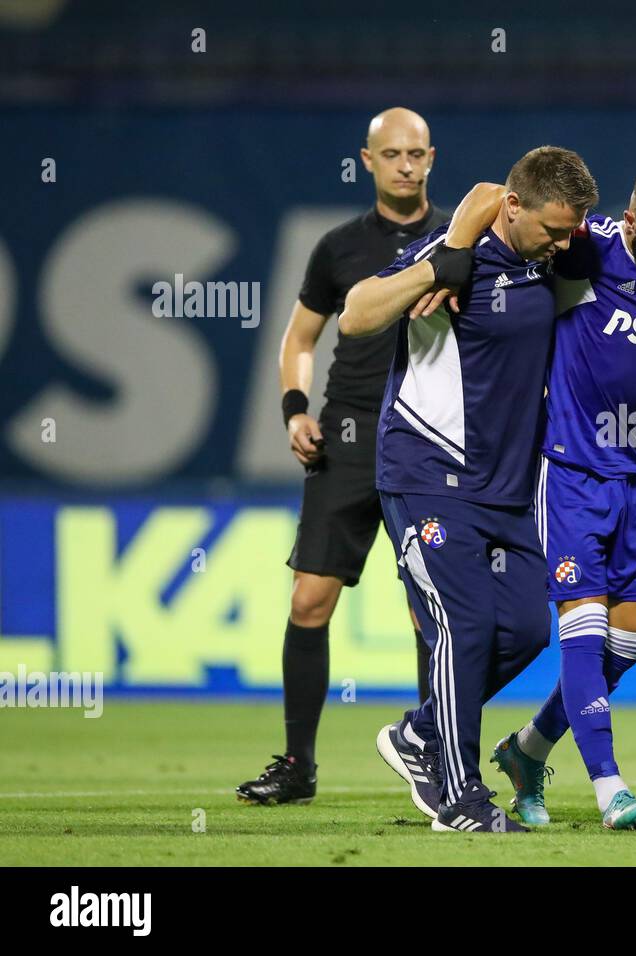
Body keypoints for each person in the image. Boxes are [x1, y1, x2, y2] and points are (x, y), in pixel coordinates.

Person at [340, 147, 600, 833]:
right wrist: (439, 264)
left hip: (507, 490)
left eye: (571, 230)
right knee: (467, 625)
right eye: (551, 228)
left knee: (522, 630)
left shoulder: (546, 252)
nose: (563, 242)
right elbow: (357, 313)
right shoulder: (459, 259)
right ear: (515, 209)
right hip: (428, 475)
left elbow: (489, 186)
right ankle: (460, 799)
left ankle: (421, 734)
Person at [486, 166, 636, 830]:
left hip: (630, 473)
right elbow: (492, 201)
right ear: (631, 221)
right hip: (567, 471)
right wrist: (447, 267)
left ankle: (527, 749)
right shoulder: (585, 247)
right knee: (583, 634)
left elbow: (626, 347)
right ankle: (609, 787)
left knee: (634, 638)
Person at [236, 107, 447, 806]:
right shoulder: (337, 248)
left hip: (429, 440)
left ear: (431, 158)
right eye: (393, 154)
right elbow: (299, 340)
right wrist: (294, 410)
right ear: (368, 160)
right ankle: (298, 765)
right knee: (309, 600)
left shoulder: (457, 240)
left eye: (416, 153)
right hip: (349, 433)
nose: (406, 165)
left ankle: (443, 760)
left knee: (431, 613)